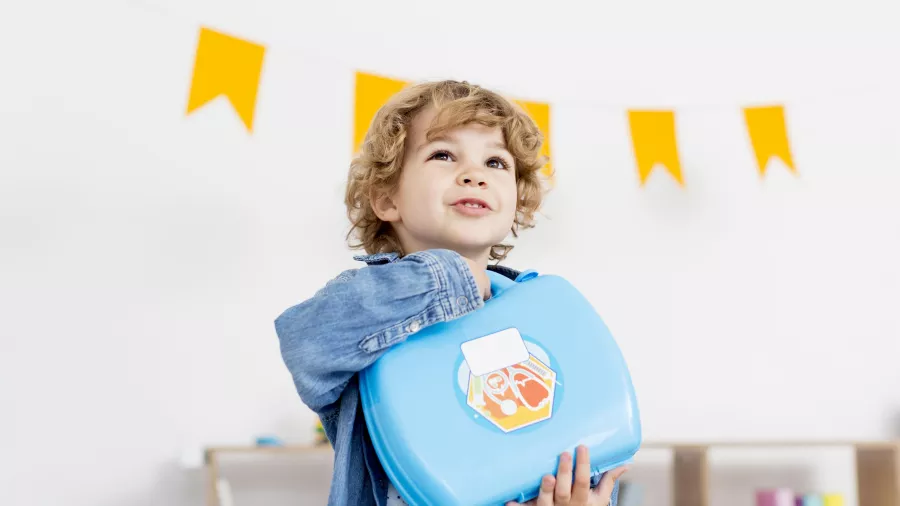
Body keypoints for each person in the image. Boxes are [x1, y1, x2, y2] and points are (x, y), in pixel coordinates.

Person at [274, 79, 628, 506]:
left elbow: (569, 428)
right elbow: (306, 342)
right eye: (443, 154)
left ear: (517, 203)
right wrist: (448, 278)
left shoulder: (540, 311)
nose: (474, 174)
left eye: (496, 163)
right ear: (387, 200)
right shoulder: (364, 304)